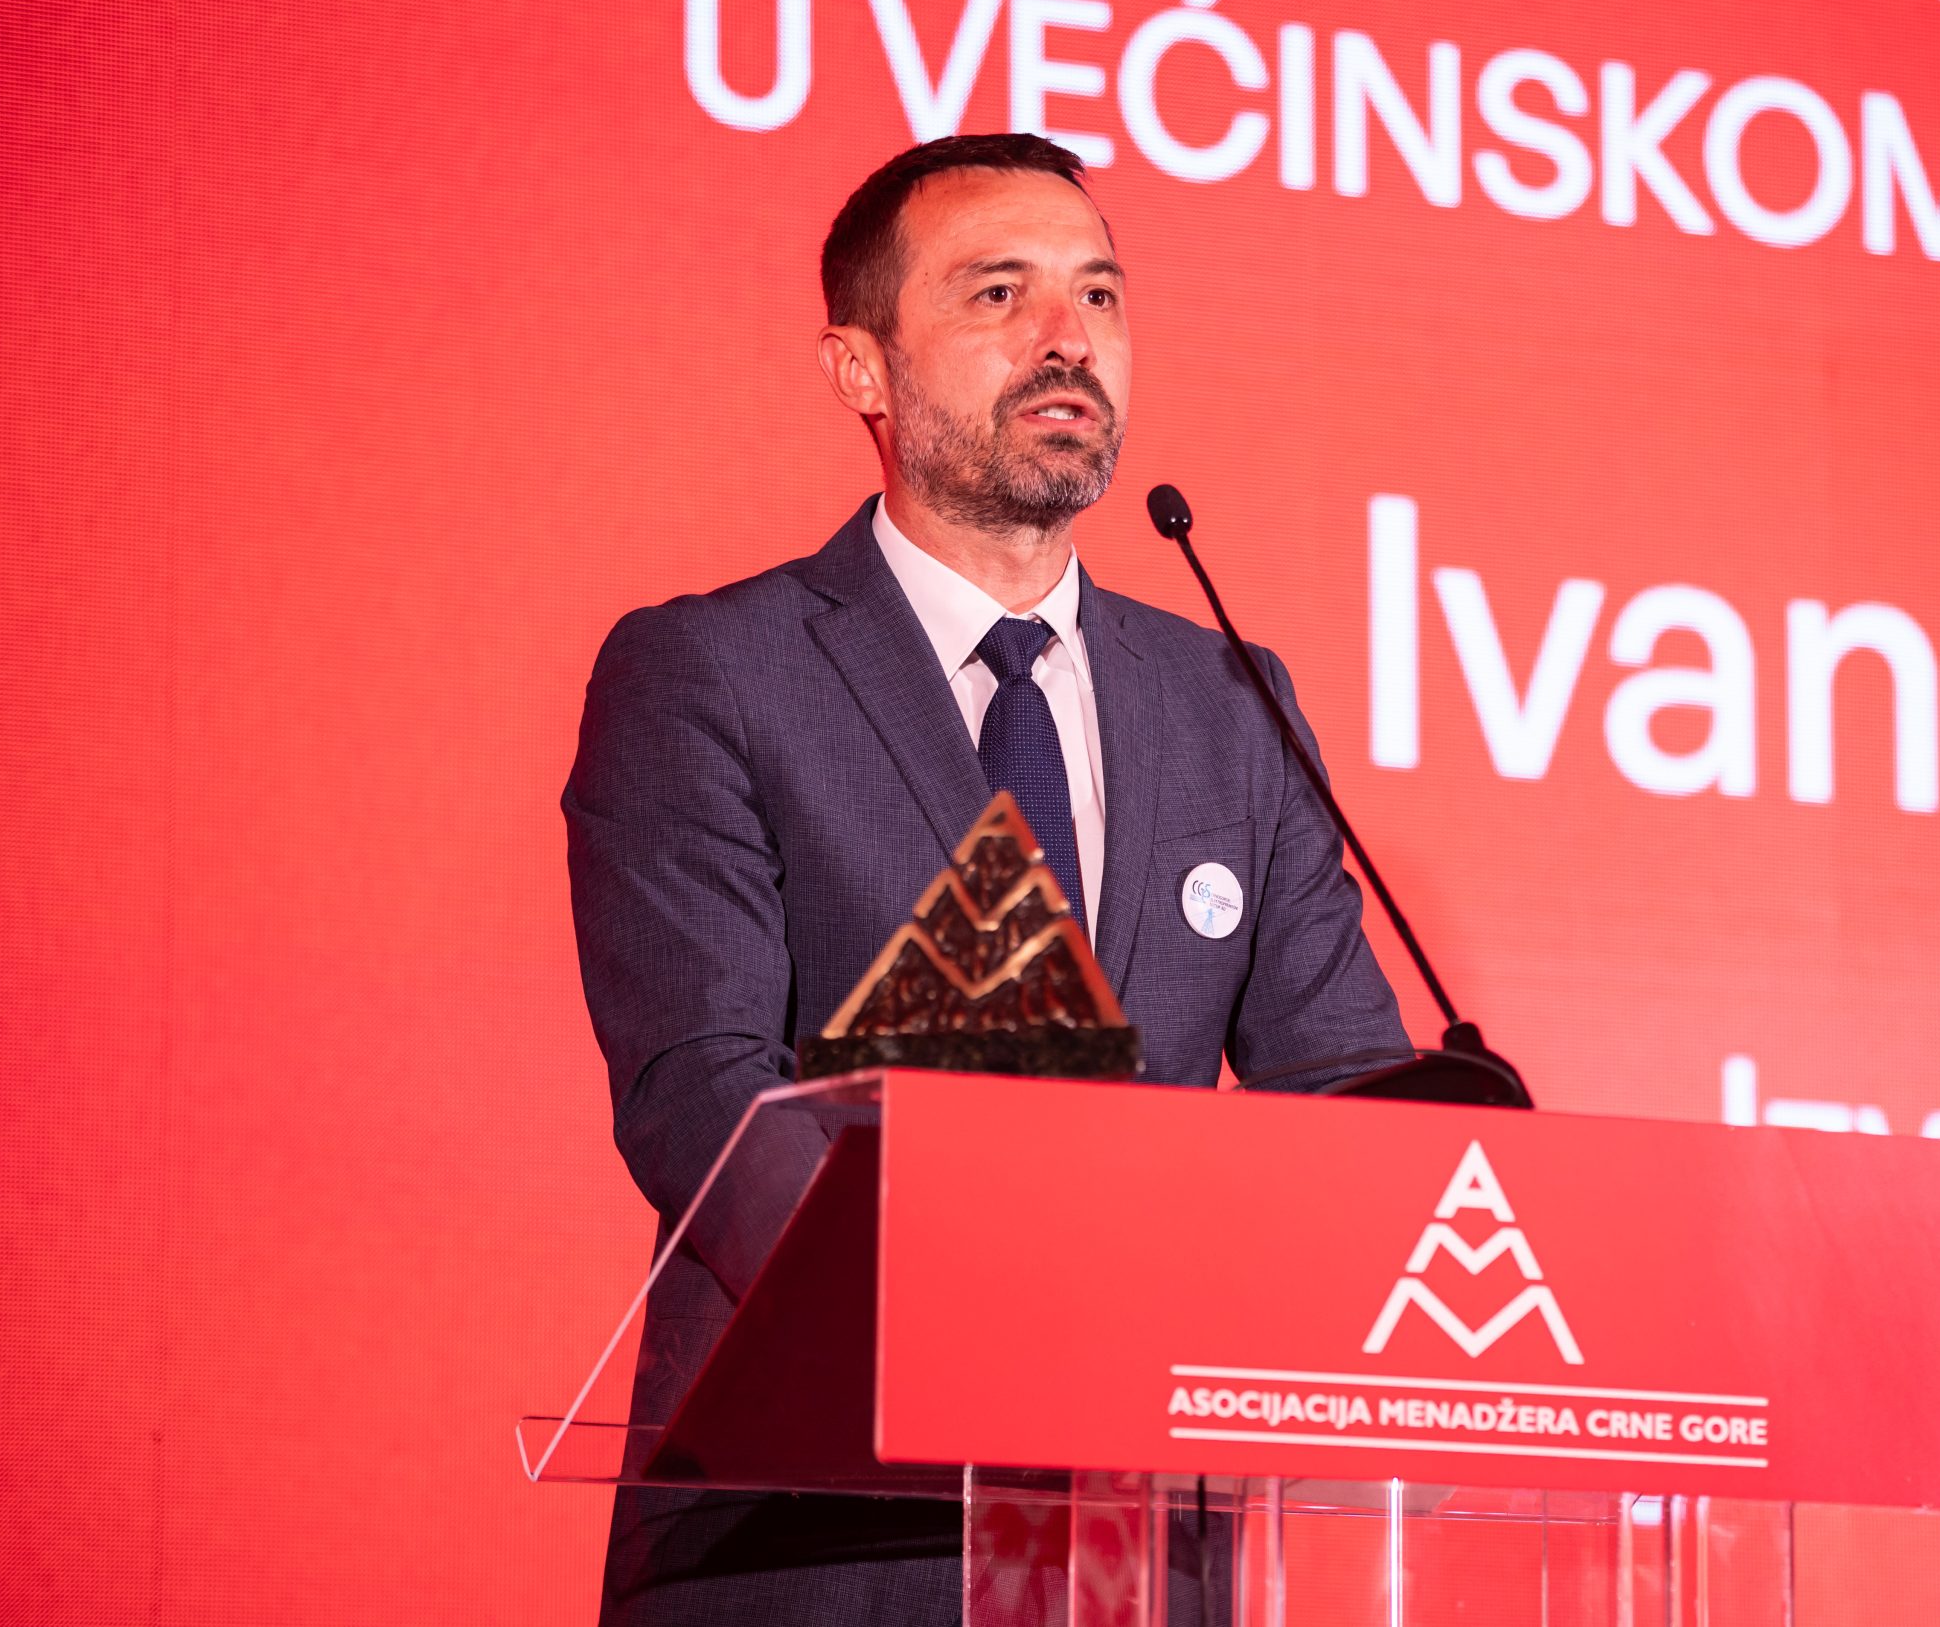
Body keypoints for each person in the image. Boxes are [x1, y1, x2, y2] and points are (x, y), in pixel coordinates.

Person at [563, 133, 1407, 1626]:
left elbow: (1342, 1097)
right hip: (820, 1545)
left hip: (1139, 1559)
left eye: (1100, 294)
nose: (1068, 337)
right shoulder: (713, 671)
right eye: (999, 293)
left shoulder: (1229, 700)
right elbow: (707, 1102)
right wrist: (1015, 1336)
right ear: (862, 369)